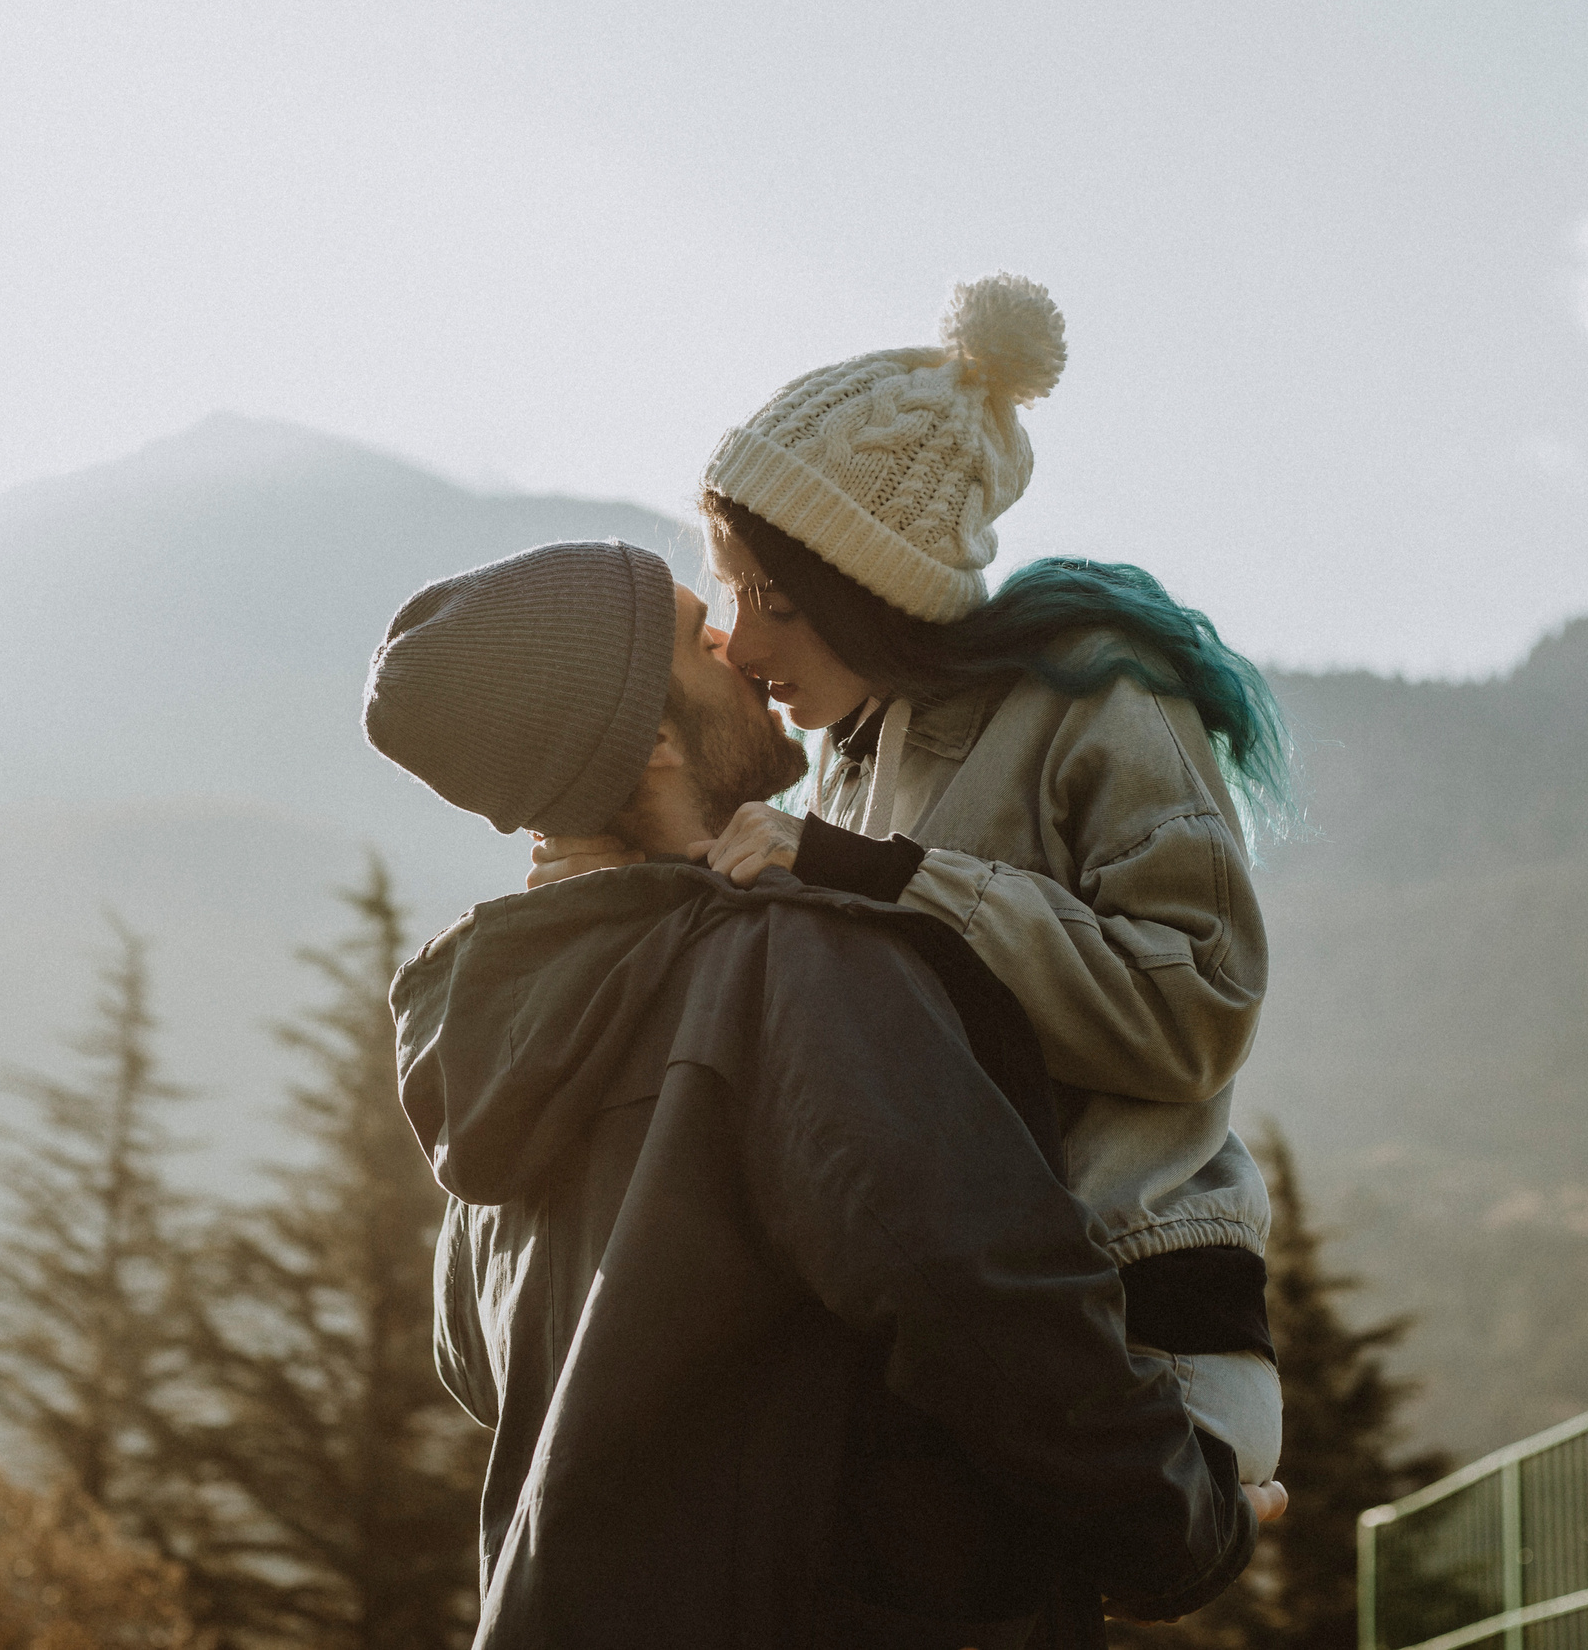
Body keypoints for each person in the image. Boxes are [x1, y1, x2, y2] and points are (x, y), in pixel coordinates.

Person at [364, 540, 1276, 1650]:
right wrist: (1184, 1524)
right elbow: (986, 1291)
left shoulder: (504, 1049)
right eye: (697, 636)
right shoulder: (793, 968)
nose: (737, 646)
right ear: (651, 740)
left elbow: (480, 1368)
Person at [532, 275, 1290, 1491]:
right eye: (729, 593)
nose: (743, 643)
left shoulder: (1093, 694)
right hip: (971, 1334)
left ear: (874, 590)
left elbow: (1193, 1008)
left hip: (1140, 1330)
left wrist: (887, 881)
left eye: (778, 602)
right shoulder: (847, 764)